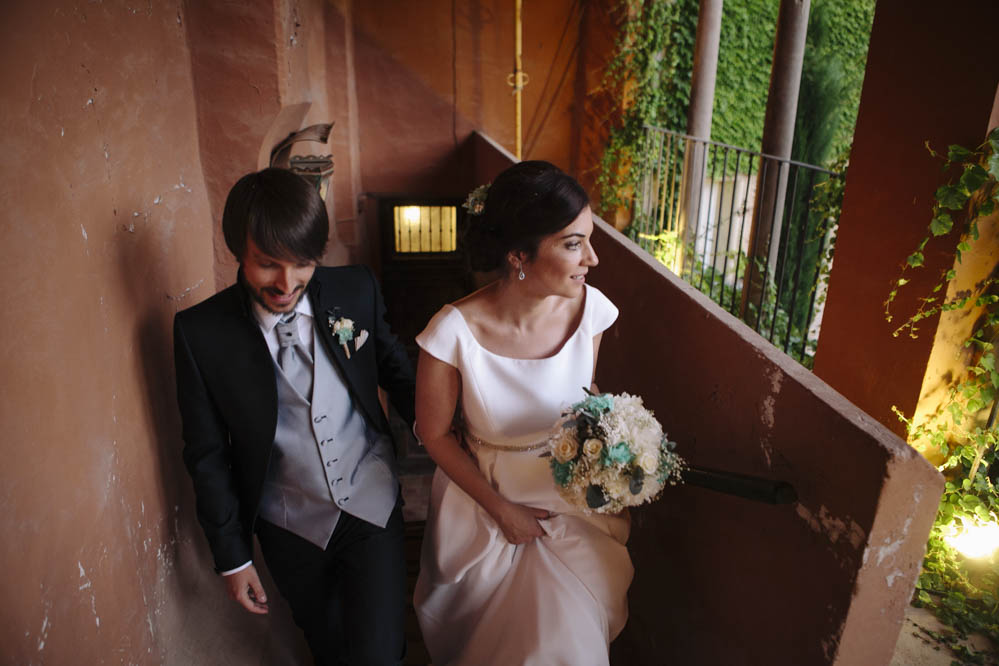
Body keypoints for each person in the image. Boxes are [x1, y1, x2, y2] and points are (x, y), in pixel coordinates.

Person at [173, 167, 414, 665]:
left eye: (302, 263)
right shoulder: (201, 334)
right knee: (328, 649)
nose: (286, 283)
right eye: (266, 264)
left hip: (371, 500)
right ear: (235, 250)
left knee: (381, 654)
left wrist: (450, 440)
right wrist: (232, 558)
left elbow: (397, 372)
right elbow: (207, 453)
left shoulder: (355, 289)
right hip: (289, 526)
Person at [413, 161, 633, 665]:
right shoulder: (451, 333)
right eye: (573, 243)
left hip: (571, 505)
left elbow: (586, 396)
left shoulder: (591, 311)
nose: (592, 259)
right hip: (489, 497)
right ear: (519, 255)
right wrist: (501, 510)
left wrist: (617, 447)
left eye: (589, 239)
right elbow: (435, 434)